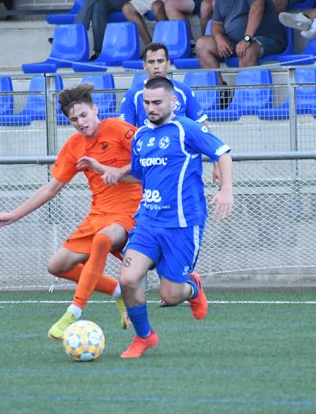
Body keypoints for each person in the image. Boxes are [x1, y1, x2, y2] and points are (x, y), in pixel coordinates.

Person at [79, 76, 233, 359]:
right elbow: (138, 173)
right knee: (127, 280)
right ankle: (144, 337)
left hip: (182, 224)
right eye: (147, 102)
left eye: (157, 102)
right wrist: (109, 170)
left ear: (173, 101)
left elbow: (222, 154)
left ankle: (193, 287)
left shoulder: (186, 129)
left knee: (170, 296)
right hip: (148, 221)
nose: (151, 107)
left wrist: (226, 190)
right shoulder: (141, 136)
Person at [0, 84, 141, 340]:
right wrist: (13, 215)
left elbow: (147, 169)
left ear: (95, 109)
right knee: (57, 265)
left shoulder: (120, 130)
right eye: (73, 119)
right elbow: (51, 188)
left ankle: (74, 312)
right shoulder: (74, 146)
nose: (80, 123)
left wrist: (103, 168)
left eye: (83, 115)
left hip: (132, 210)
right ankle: (118, 292)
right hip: (99, 214)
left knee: (104, 240)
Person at [195, 0, 287, 88]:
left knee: (247, 51)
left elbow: (257, 8)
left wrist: (247, 39)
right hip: (235, 42)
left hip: (266, 38)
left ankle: (246, 99)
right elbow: (216, 24)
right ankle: (220, 91)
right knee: (202, 44)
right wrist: (219, 39)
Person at [119, 42, 208, 127]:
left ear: (168, 64)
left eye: (160, 61)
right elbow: (125, 131)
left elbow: (201, 125)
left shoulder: (183, 90)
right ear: (144, 66)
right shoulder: (132, 94)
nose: (156, 66)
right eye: (151, 62)